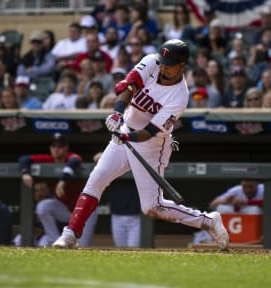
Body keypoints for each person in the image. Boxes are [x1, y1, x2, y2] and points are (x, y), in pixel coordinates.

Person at [52, 39, 229, 250]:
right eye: (163, 61)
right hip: (126, 129)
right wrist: (117, 113)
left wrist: (127, 138)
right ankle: (70, 234)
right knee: (96, 179)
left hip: (152, 145)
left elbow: (150, 132)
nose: (163, 66)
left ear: (182, 65)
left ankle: (208, 221)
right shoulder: (152, 62)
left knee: (151, 207)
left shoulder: (179, 97)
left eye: (169, 63)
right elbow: (130, 84)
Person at [18, 132, 98, 246]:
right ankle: (54, 242)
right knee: (43, 207)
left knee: (83, 246)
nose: (56, 149)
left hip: (84, 209)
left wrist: (63, 180)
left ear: (66, 148)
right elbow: (24, 159)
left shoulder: (71, 157)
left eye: (60, 146)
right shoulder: (49, 159)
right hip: (64, 208)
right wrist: (25, 173)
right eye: (53, 146)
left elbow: (75, 161)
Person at [192, 180, 263, 244]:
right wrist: (226, 200)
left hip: (255, 217)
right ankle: (219, 237)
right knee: (221, 208)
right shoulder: (236, 190)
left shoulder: (263, 189)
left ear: (257, 184)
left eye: (251, 187)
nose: (248, 190)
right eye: (245, 187)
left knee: (255, 209)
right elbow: (212, 205)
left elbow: (270, 204)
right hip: (237, 214)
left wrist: (248, 202)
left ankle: (253, 237)